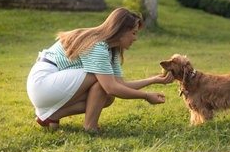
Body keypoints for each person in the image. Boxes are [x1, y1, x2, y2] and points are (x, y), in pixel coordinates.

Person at [27, 8, 173, 131]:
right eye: (133, 33)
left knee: (108, 97)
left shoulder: (110, 49)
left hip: (51, 84)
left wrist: (153, 80)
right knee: (105, 84)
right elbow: (111, 87)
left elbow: (119, 84)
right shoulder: (97, 46)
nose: (135, 38)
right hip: (43, 83)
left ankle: (52, 116)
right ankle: (90, 126)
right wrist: (146, 96)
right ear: (121, 31)